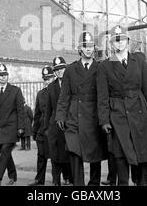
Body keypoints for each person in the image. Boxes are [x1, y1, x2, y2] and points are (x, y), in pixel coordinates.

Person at [97, 25, 147, 186]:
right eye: (116, 40)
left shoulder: (139, 62)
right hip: (117, 116)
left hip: (139, 112)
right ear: (111, 44)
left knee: (142, 156)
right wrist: (104, 121)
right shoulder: (105, 66)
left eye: (122, 39)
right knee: (121, 159)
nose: (119, 43)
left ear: (128, 41)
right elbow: (102, 96)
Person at [55, 31, 107, 186]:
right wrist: (60, 116)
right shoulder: (71, 70)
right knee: (74, 152)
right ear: (80, 49)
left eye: (91, 46)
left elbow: (104, 96)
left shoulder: (101, 68)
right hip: (74, 117)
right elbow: (64, 95)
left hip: (94, 116)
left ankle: (94, 185)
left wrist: (104, 118)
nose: (89, 49)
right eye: (85, 46)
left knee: (95, 155)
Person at [0, 63, 25, 186]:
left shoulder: (15, 91)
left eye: (5, 74)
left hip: (11, 128)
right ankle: (13, 176)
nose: (3, 77)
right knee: (6, 154)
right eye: (0, 75)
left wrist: (21, 127)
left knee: (5, 151)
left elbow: (20, 111)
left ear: (8, 76)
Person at [44, 56, 73, 186]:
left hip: (70, 126)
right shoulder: (51, 87)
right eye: (57, 70)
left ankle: (71, 179)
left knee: (70, 155)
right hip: (55, 127)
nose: (60, 72)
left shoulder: (73, 83)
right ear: (54, 72)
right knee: (55, 156)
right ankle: (56, 181)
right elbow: (48, 110)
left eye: (62, 68)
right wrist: (46, 128)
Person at [28, 66, 55, 186]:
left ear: (53, 78)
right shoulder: (40, 94)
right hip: (41, 131)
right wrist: (34, 131)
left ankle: (57, 180)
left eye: (49, 78)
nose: (47, 81)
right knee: (41, 156)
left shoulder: (58, 91)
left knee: (55, 157)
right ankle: (39, 180)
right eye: (45, 79)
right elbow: (37, 114)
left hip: (54, 130)